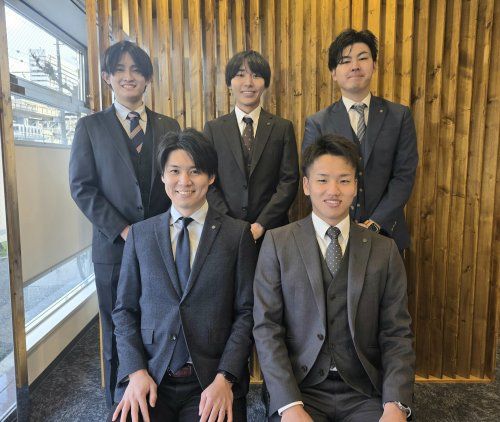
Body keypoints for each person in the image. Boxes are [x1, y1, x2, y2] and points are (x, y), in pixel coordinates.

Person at [253, 134, 415, 421]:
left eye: (343, 180)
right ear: (306, 185)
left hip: (364, 391)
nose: (333, 190)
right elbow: (267, 329)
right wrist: (289, 404)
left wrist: (395, 404)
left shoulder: (384, 250)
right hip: (301, 390)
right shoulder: (278, 243)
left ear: (355, 186)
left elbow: (396, 333)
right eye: (322, 180)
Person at [110, 129, 256, 422]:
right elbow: (124, 311)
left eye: (195, 171)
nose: (184, 181)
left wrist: (225, 377)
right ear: (163, 176)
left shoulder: (237, 234)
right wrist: (136, 372)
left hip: (210, 379)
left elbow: (247, 313)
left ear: (211, 177)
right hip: (151, 374)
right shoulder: (140, 235)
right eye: (174, 171)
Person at [69, 40, 180, 405]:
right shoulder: (90, 127)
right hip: (113, 248)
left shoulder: (169, 126)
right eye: (120, 70)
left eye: (136, 70)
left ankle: (157, 400)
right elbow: (82, 187)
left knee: (160, 322)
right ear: (107, 77)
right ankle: (118, 405)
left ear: (148, 78)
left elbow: (175, 182)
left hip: (162, 245)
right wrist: (123, 229)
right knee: (118, 326)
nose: (128, 76)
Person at [302, 29, 418, 251]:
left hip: (387, 233)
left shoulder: (399, 116)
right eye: (345, 61)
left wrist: (375, 223)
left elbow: (404, 175)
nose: (355, 66)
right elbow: (313, 178)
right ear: (334, 72)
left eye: (362, 58)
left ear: (374, 65)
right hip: (335, 235)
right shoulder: (317, 123)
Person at [204, 50, 299, 244]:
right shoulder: (213, 129)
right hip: (225, 231)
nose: (248, 82)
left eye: (256, 75)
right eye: (240, 75)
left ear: (266, 83)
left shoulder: (282, 128)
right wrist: (230, 224)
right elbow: (208, 181)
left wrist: (262, 224)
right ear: (229, 83)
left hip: (272, 231)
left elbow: (288, 181)